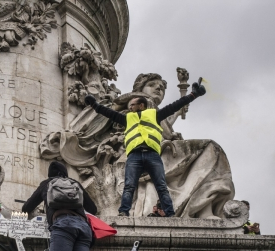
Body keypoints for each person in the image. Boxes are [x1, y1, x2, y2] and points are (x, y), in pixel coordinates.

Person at [84, 81, 206, 217]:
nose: (130, 107)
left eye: (132, 105)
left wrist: (193, 94)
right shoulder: (127, 118)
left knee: (161, 186)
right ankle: (123, 212)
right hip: (134, 155)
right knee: (129, 186)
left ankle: (170, 213)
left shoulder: (154, 115)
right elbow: (109, 113)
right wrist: (95, 105)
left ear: (141, 105)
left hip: (152, 154)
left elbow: (175, 106)